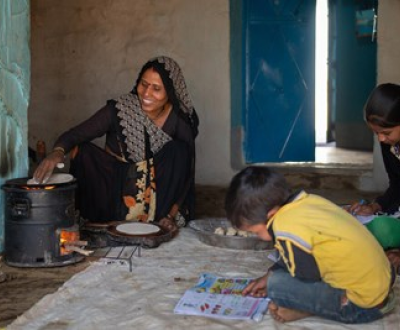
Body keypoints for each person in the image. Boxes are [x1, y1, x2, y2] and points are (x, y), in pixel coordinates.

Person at [33, 56, 199, 232]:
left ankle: (158, 221)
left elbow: (185, 175)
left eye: (156, 88)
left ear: (170, 93)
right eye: (143, 84)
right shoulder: (121, 109)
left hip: (155, 202)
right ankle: (99, 221)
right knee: (83, 150)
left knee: (179, 152)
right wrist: (57, 152)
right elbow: (75, 134)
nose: (147, 93)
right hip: (114, 193)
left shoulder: (179, 122)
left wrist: (170, 216)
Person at [225, 166, 395, 324]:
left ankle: (304, 309)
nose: (258, 237)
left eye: (255, 231)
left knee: (277, 285)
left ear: (271, 215)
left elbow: (306, 276)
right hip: (383, 285)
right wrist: (269, 273)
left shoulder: (285, 227)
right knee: (277, 275)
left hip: (360, 306)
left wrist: (273, 283)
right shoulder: (308, 201)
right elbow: (302, 254)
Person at [348, 83, 400, 270]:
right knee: (360, 229)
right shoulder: (390, 145)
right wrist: (374, 206)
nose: (381, 139)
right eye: (376, 133)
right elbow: (397, 185)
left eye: (386, 133)